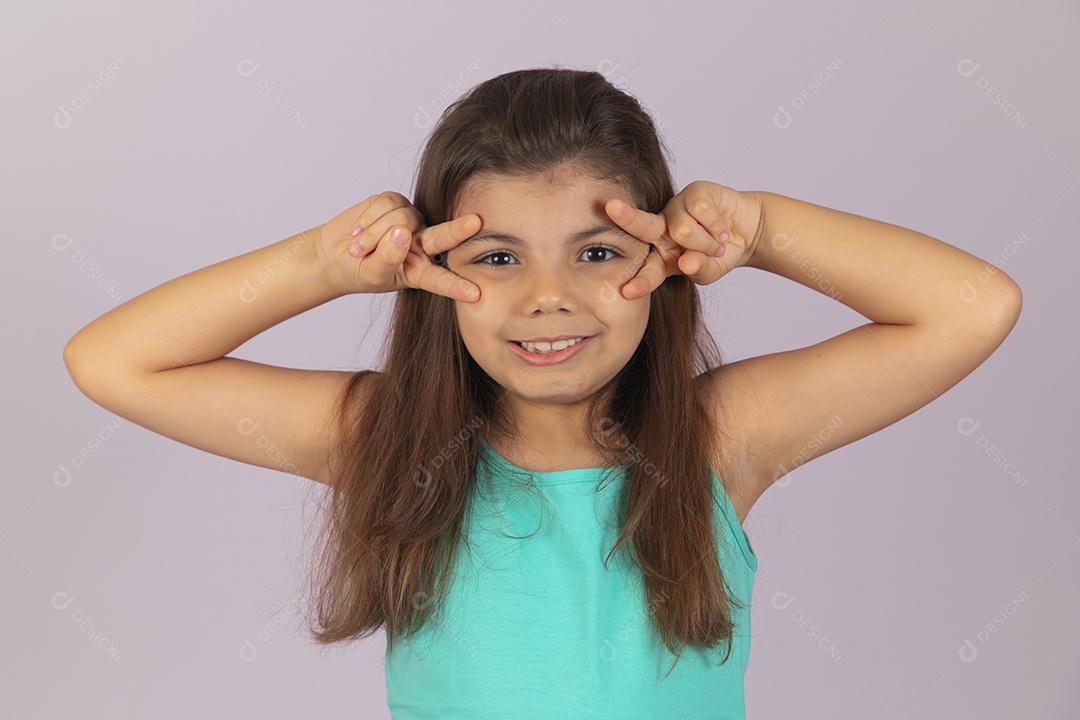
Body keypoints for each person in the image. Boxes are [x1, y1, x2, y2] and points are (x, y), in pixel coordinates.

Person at [62, 67, 1022, 719]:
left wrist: (763, 228)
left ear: (663, 257)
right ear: (431, 271)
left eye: (597, 252)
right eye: (497, 256)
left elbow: (973, 305)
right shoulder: (383, 437)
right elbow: (114, 361)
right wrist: (319, 266)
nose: (547, 298)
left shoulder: (715, 440)